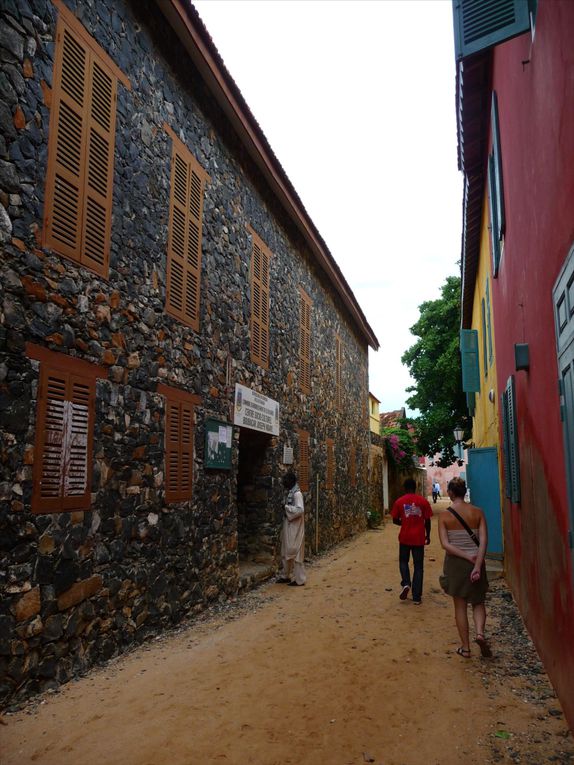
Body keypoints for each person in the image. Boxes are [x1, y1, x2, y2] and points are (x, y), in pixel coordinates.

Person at [438, 476, 491, 658]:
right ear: (464, 491)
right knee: (478, 602)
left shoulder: (445, 515)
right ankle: (480, 634)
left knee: (460, 606)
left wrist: (466, 556)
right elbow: (483, 540)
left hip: (456, 564)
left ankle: (466, 648)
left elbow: (446, 544)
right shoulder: (478, 512)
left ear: (451, 493)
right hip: (477, 561)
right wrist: (477, 563)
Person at [391, 478, 433, 605]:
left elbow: (394, 520)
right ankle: (416, 597)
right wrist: (428, 535)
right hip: (419, 538)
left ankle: (406, 583)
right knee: (418, 566)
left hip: (404, 537)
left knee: (403, 561)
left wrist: (403, 523)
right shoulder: (423, 501)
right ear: (415, 487)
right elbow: (427, 521)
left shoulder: (399, 501)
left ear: (404, 488)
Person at [277, 472, 306, 586]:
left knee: (296, 551)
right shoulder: (290, 492)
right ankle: (286, 575)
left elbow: (300, 510)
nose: (283, 482)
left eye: (285, 480)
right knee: (286, 550)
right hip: (289, 525)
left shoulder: (297, 494)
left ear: (290, 481)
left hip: (296, 528)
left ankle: (299, 579)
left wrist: (286, 508)